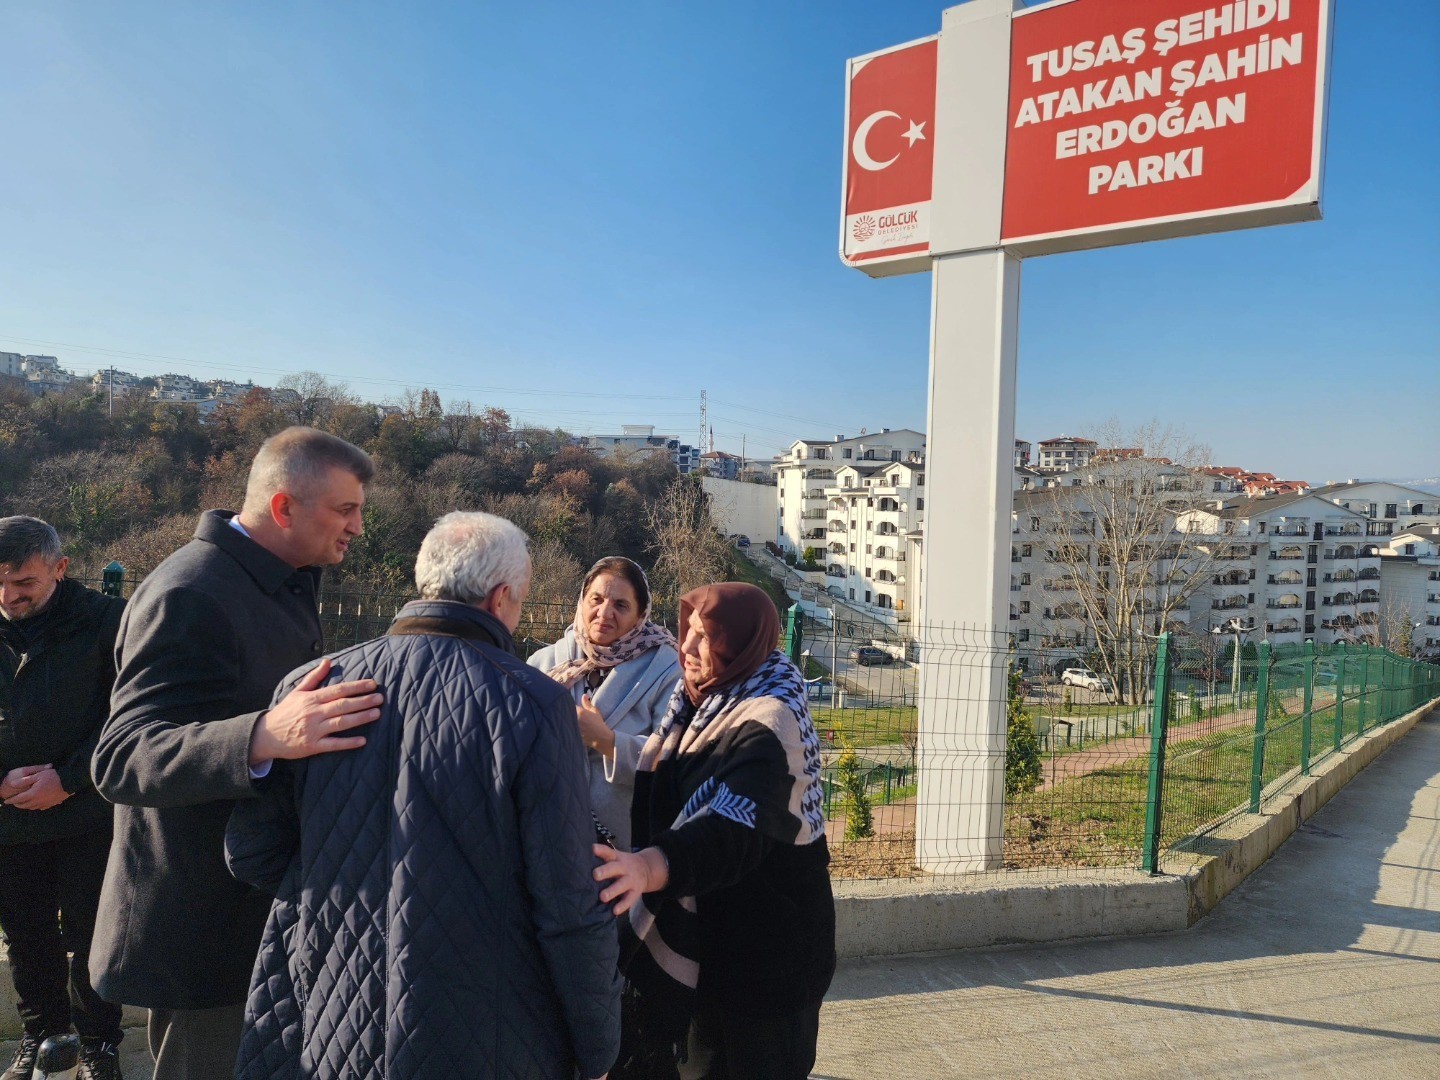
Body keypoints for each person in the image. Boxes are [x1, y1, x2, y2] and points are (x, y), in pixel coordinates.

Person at [226, 511, 621, 1080]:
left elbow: (251, 853)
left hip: (327, 1008)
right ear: (500, 597)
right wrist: (598, 1044)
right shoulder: (534, 703)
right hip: (484, 1023)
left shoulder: (310, 686)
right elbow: (567, 901)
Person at [90, 427, 383, 1080]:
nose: (358, 528)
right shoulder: (191, 593)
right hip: (203, 939)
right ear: (284, 508)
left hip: (256, 913)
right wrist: (261, 736)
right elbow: (120, 757)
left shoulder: (278, 581)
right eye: (345, 509)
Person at [593, 582, 835, 1080]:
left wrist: (650, 865)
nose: (685, 647)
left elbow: (732, 822)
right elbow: (672, 778)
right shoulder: (699, 701)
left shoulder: (772, 719)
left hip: (767, 963)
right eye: (687, 633)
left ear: (741, 643)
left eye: (705, 637)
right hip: (714, 944)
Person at [0, 518, 125, 1080]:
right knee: (25, 938)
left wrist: (70, 779)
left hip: (88, 814)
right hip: (8, 820)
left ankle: (98, 1044)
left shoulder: (107, 622)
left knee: (94, 935)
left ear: (60, 568)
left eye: (23, 582)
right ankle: (43, 1037)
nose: (8, 598)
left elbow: (128, 718)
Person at [529, 557, 680, 849]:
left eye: (621, 605)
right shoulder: (544, 664)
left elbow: (675, 762)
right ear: (582, 602)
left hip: (622, 849)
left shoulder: (666, 670)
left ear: (640, 615)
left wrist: (606, 741)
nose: (604, 613)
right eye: (596, 599)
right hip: (545, 837)